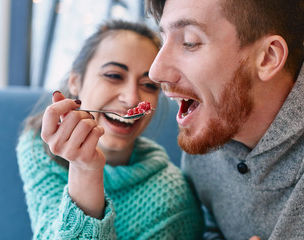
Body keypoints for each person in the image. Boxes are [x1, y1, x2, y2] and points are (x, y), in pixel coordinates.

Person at [145, 0, 304, 239]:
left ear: (268, 57)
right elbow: (210, 228)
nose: (155, 72)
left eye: (189, 42)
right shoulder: (210, 131)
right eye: (163, 39)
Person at [16, 19, 204, 239]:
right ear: (76, 81)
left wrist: (86, 170)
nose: (132, 98)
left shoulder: (171, 198)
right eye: (114, 76)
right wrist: (84, 169)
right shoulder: (38, 148)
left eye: (149, 85)